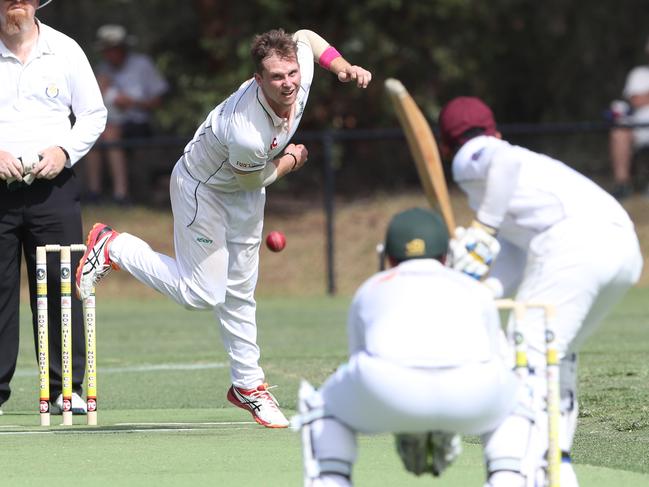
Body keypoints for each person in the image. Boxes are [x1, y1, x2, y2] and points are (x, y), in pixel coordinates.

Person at [75, 28, 371, 428]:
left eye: (291, 74)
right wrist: (294, 160)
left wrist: (341, 66)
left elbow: (305, 36)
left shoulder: (298, 71)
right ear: (258, 80)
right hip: (204, 187)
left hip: (244, 193)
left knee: (241, 292)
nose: (287, 84)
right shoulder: (247, 131)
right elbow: (256, 178)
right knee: (202, 294)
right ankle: (114, 247)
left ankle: (249, 385)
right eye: (276, 78)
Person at [438, 96, 643, 486]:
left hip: (574, 241)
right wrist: (469, 281)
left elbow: (503, 160)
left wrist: (483, 228)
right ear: (495, 127)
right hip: (622, 249)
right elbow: (513, 258)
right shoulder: (514, 185)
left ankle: (517, 473)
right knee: (551, 354)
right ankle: (555, 467)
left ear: (446, 146)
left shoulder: (473, 156)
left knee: (525, 354)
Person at [292, 207, 526, 487]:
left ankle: (331, 479)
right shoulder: (475, 290)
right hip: (473, 391)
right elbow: (494, 357)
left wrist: (406, 416)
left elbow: (358, 360)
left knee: (321, 404)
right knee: (520, 401)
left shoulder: (371, 288)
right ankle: (507, 478)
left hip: (385, 387)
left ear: (388, 257)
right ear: (445, 255)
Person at [0, 0, 106, 416]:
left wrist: (65, 150)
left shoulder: (65, 49)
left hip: (54, 188)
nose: (16, 6)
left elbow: (94, 114)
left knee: (63, 290)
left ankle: (68, 389)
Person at [84, 24, 169, 205]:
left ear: (123, 48)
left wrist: (132, 102)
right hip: (110, 122)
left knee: (111, 133)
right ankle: (94, 192)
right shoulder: (102, 70)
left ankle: (120, 194)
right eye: (107, 50)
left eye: (113, 49)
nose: (110, 54)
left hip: (139, 122)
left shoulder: (142, 64)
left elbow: (159, 102)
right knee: (96, 135)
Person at [609, 38, 649, 200]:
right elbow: (636, 99)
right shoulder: (639, 74)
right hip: (640, 129)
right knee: (619, 133)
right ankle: (623, 185)